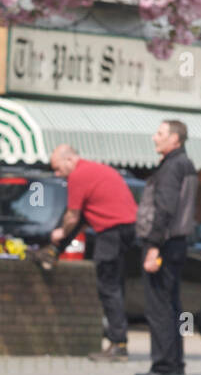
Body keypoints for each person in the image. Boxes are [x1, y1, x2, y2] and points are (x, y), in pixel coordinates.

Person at [46, 146, 138, 362]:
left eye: (58, 169)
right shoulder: (97, 169)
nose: (58, 174)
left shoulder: (78, 175)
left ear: (69, 159)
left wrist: (60, 232)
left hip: (112, 231)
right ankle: (118, 341)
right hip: (127, 229)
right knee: (115, 285)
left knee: (108, 286)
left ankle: (118, 345)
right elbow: (83, 218)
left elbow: (72, 216)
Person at [133, 119, 198, 375]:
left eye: (160, 133)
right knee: (171, 304)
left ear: (175, 139)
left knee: (159, 306)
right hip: (177, 243)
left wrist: (152, 247)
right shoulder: (186, 164)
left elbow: (164, 209)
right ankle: (175, 364)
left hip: (165, 243)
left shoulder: (172, 166)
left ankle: (164, 366)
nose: (154, 138)